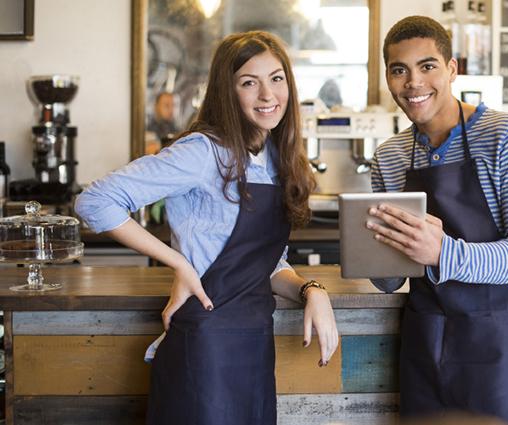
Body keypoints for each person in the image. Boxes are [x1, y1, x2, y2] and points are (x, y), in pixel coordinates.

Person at [75, 31, 339, 424]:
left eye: (277, 78)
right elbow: (94, 202)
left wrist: (310, 289)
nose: (268, 94)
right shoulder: (202, 152)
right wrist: (179, 264)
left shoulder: (274, 157)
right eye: (249, 82)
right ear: (227, 91)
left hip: (254, 345)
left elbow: (265, 263)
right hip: (206, 347)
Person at [367, 16, 508, 425]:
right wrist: (370, 252)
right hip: (425, 345)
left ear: (452, 69)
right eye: (400, 70)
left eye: (428, 66)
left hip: (499, 347)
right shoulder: (390, 156)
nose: (414, 82)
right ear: (388, 77)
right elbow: (389, 280)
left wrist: (442, 252)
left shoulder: (507, 134)